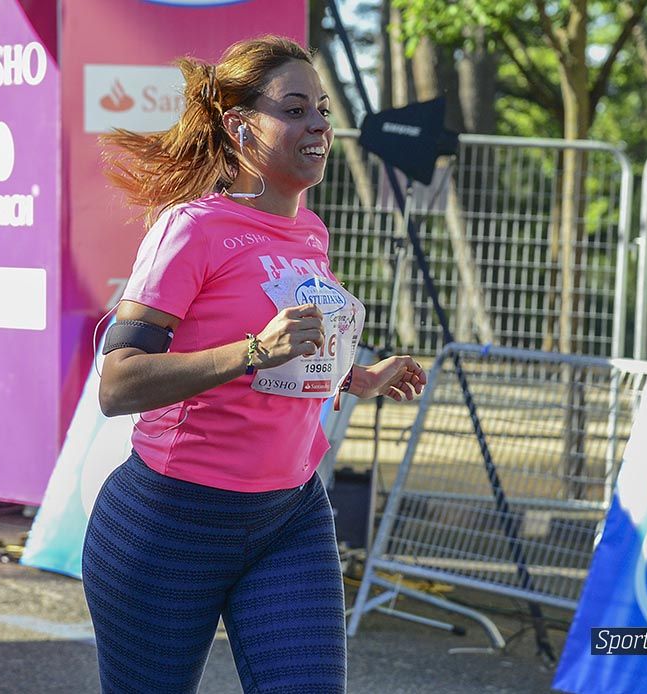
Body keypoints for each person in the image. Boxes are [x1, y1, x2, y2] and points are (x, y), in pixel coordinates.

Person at [82, 35, 427, 694]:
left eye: (322, 109)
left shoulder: (312, 232)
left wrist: (357, 376)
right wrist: (251, 351)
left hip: (289, 517)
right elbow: (118, 382)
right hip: (171, 522)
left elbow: (288, 361)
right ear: (240, 126)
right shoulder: (190, 228)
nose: (318, 124)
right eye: (295, 110)